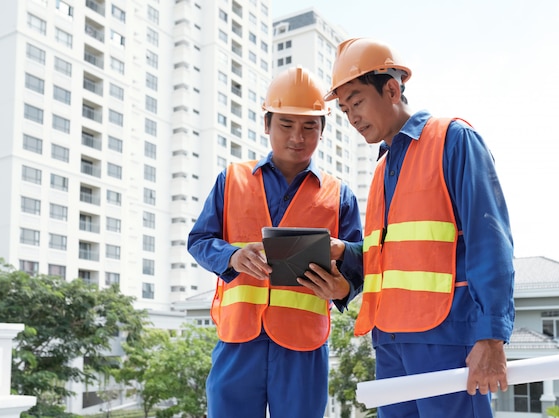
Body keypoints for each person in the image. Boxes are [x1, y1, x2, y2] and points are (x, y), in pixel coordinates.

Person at [324, 38, 515, 418]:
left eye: (357, 102)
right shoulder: (381, 168)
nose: (352, 118)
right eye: (345, 110)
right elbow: (394, 253)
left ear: (392, 89)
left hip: (447, 337)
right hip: (390, 342)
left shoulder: (453, 140)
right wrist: (347, 254)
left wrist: (491, 335)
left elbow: (489, 240)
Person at [188, 66, 363, 418]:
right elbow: (200, 240)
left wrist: (343, 287)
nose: (297, 136)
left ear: (322, 129)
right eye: (286, 124)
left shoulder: (339, 194)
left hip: (303, 346)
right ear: (267, 124)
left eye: (309, 126)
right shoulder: (231, 180)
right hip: (239, 339)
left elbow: (362, 257)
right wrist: (233, 258)